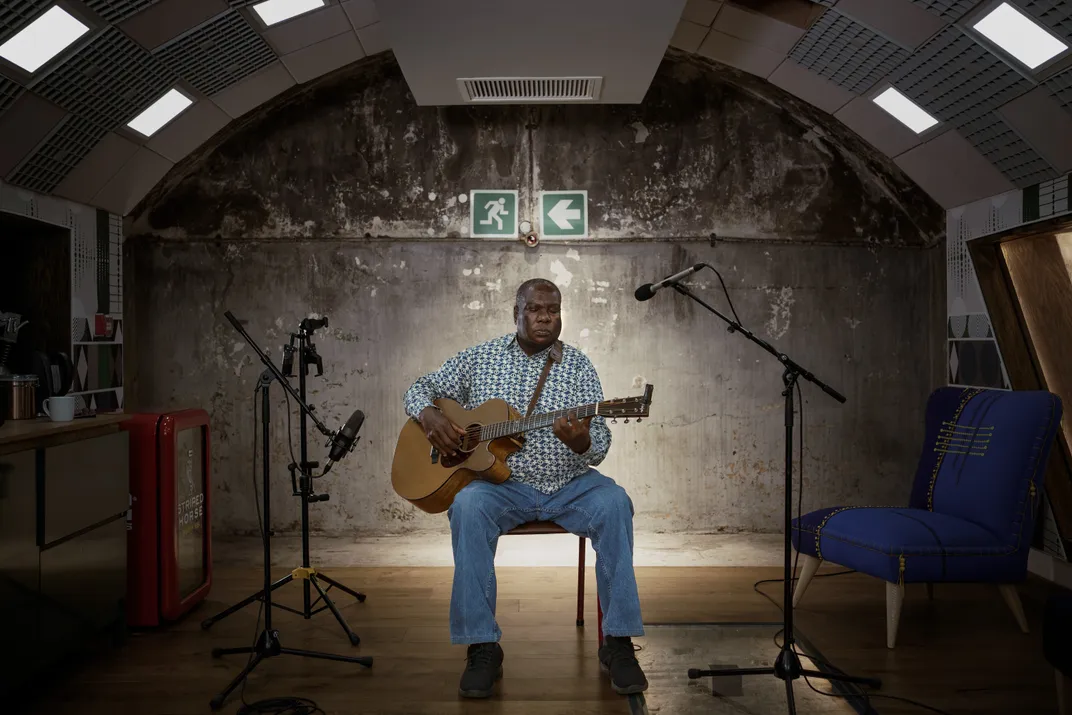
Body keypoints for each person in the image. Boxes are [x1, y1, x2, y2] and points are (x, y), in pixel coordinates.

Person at [402, 278, 648, 699]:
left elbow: (600, 443)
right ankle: (482, 647)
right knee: (467, 507)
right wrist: (429, 416)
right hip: (502, 487)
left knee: (615, 503)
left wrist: (581, 442)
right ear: (517, 312)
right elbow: (418, 388)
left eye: (553, 309)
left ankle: (618, 643)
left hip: (569, 484)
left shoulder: (578, 366)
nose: (545, 317)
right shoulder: (480, 358)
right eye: (535, 309)